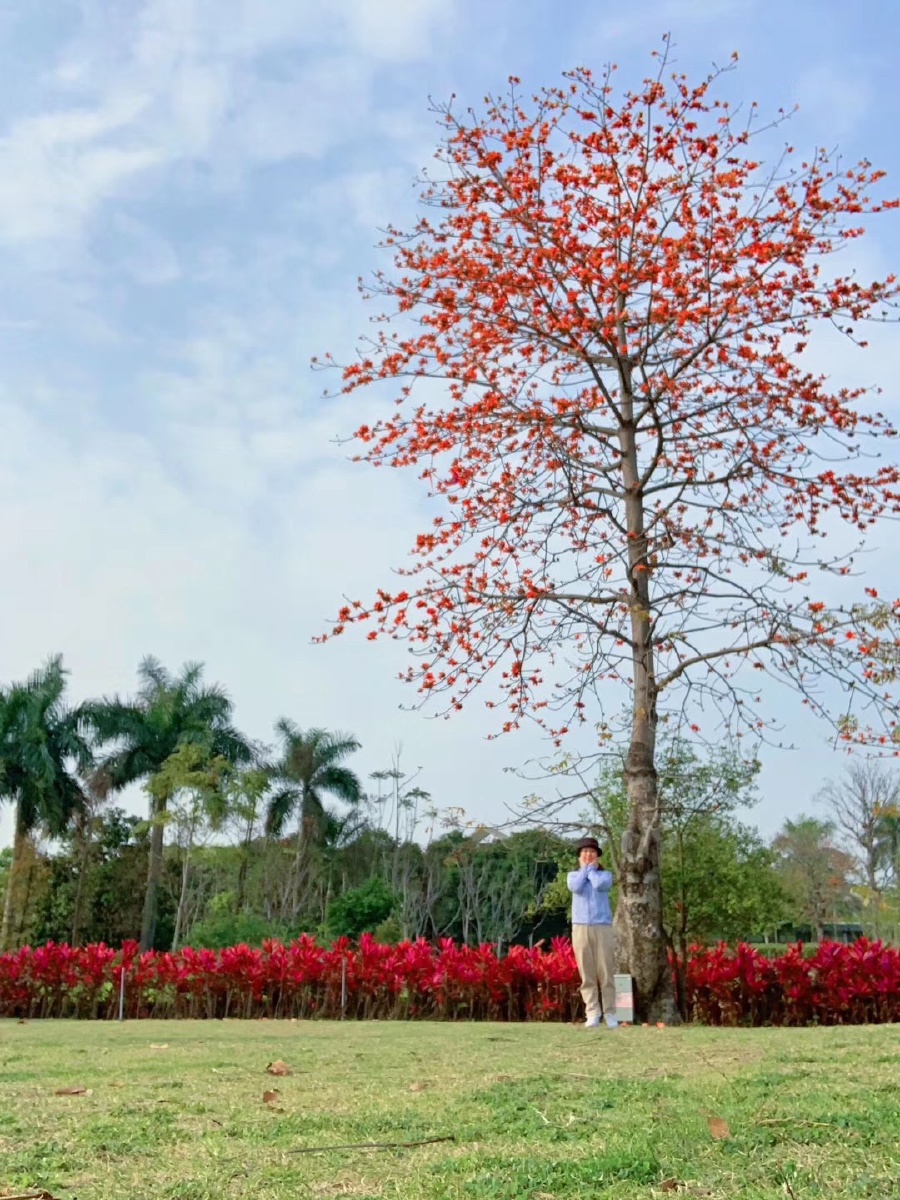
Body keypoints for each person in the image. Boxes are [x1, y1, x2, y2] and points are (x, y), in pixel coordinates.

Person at [567, 835, 618, 1029]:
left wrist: (591, 871)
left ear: (597, 855)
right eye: (585, 852)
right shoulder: (573, 875)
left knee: (606, 971)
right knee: (586, 972)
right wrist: (584, 870)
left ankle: (610, 1013)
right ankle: (592, 1012)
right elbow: (576, 887)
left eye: (592, 851)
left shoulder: (605, 875)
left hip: (602, 926)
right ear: (579, 855)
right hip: (580, 927)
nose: (588, 854)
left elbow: (598, 885)